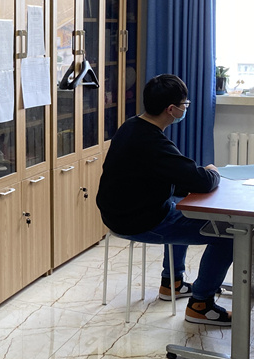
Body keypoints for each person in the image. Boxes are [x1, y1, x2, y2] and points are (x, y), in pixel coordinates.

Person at [95, 74, 232, 325]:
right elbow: (202, 181)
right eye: (184, 104)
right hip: (138, 221)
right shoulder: (152, 142)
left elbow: (168, 175)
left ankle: (172, 284)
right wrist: (212, 172)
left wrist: (192, 179)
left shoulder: (131, 126)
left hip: (119, 213)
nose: (185, 108)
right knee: (229, 234)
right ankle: (201, 305)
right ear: (171, 110)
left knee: (181, 205)